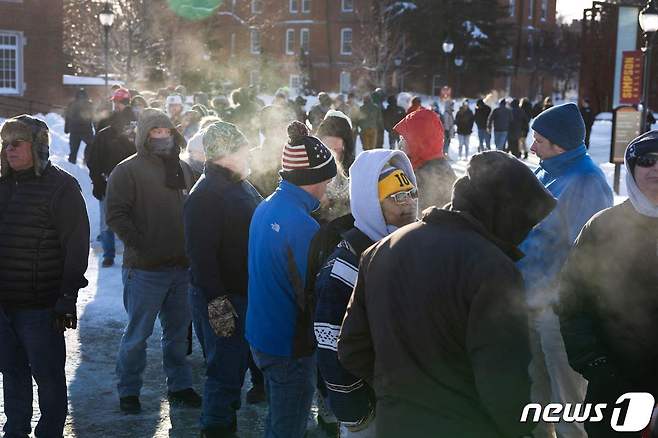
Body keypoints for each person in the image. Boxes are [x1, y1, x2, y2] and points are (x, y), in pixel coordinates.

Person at [338, 151, 556, 438]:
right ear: (504, 211)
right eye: (526, 222)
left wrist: (397, 390)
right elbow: (503, 382)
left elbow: (352, 349)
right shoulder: (493, 269)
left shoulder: (381, 250)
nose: (524, 232)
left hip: (396, 423)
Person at [518, 102, 613, 438]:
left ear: (559, 144)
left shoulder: (587, 182)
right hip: (530, 302)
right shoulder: (547, 170)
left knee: (566, 400)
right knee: (535, 393)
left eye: (539, 140)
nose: (531, 147)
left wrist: (558, 299)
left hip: (557, 312)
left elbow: (585, 256)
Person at [559, 131, 658, 438]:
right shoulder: (602, 227)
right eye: (647, 161)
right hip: (614, 389)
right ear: (631, 168)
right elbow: (572, 305)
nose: (656, 168)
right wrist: (599, 368)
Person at [314, 149, 417, 438]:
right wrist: (355, 412)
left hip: (409, 404)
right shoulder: (344, 267)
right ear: (371, 203)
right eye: (397, 197)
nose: (409, 203)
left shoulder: (410, 248)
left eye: (411, 192)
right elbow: (330, 344)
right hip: (371, 412)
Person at [0, 115, 90, 438]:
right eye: (5, 143)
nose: (9, 150)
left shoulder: (62, 188)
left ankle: (51, 432)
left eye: (17, 143)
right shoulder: (1, 185)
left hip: (41, 307)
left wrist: (67, 297)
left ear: (38, 147)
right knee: (12, 373)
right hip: (3, 307)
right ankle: (16, 430)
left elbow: (77, 248)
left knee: (48, 376)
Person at [106, 108, 200, 414]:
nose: (162, 137)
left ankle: (180, 386)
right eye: (155, 132)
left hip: (180, 267)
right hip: (144, 269)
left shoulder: (183, 169)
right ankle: (129, 391)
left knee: (177, 335)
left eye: (167, 131)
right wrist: (140, 244)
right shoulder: (127, 170)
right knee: (137, 336)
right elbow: (115, 213)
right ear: (145, 136)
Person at [246, 121, 337, 438]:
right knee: (289, 427)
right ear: (313, 180)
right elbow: (311, 296)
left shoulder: (266, 205)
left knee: (279, 416)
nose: (328, 186)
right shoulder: (303, 227)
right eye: (327, 178)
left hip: (262, 334)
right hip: (289, 345)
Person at [184, 122, 263, 437]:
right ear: (225, 154)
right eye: (242, 150)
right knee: (224, 372)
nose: (248, 155)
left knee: (237, 366)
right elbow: (201, 256)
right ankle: (215, 428)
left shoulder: (240, 184)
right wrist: (217, 302)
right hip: (223, 297)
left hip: (245, 292)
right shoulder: (206, 195)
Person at [87, 102, 138, 268]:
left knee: (130, 218)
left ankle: (132, 251)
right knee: (106, 222)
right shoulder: (103, 136)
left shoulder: (132, 138)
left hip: (128, 185)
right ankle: (108, 254)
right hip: (106, 184)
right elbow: (93, 161)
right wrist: (97, 181)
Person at [394, 107, 456, 210]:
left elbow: (416, 218)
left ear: (417, 141)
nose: (401, 144)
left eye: (403, 138)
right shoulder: (439, 167)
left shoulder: (425, 177)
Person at [316, 110, 356, 222]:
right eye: (327, 150)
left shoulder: (353, 170)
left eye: (336, 150)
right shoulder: (310, 166)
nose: (332, 156)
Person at [64, 88, 95, 164]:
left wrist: (66, 128)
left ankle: (71, 164)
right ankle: (86, 160)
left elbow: (67, 116)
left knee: (73, 150)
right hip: (86, 130)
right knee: (91, 145)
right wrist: (96, 128)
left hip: (74, 130)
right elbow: (93, 117)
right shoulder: (90, 104)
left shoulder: (71, 104)